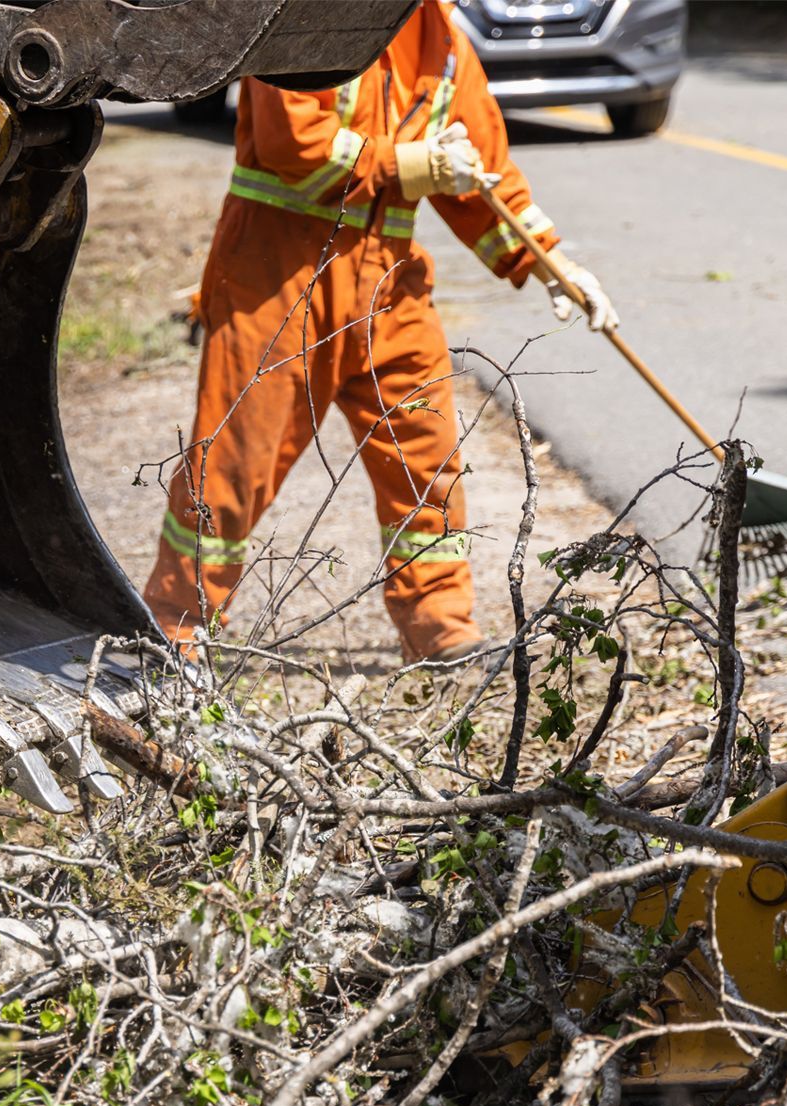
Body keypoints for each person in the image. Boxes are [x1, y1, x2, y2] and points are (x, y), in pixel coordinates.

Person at [141, 0, 618, 664]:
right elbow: (294, 146)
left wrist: (552, 262)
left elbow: (481, 171)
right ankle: (172, 627)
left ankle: (440, 626)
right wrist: (410, 165)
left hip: (388, 284)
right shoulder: (304, 20)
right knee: (232, 464)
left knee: (426, 455)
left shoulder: (443, 40)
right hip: (278, 280)